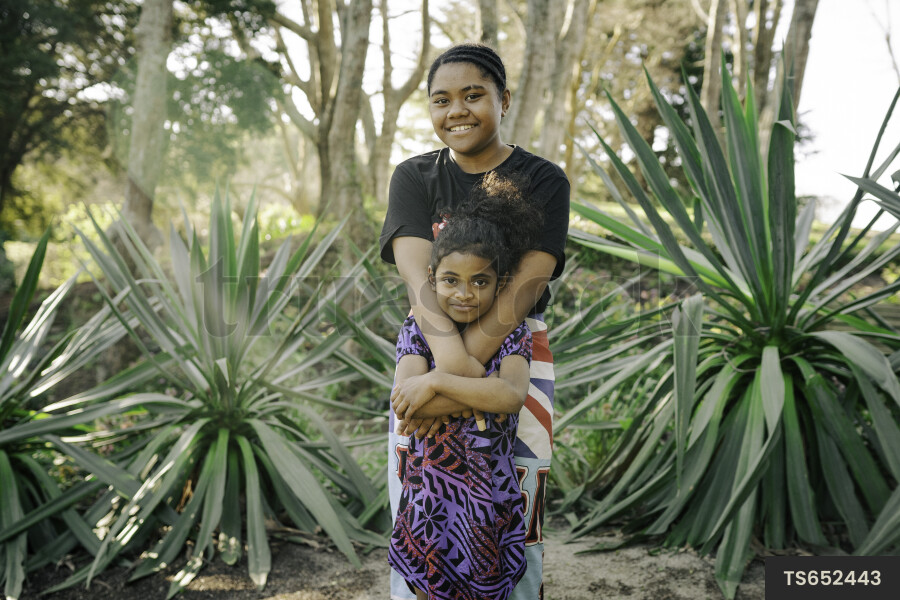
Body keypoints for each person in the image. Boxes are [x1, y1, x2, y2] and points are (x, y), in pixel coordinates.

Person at [380, 42, 569, 600]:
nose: (456, 110)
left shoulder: (543, 180)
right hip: (426, 345)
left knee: (516, 508)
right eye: (442, 100)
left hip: (515, 353)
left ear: (503, 99)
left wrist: (460, 377)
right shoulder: (414, 177)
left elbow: (526, 285)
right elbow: (419, 283)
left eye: (473, 95)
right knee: (419, 506)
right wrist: (456, 368)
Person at [388, 173, 541, 600]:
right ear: (433, 278)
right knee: (427, 589)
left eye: (481, 281)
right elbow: (407, 405)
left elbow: (509, 397)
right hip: (428, 503)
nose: (465, 294)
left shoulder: (513, 334)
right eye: (452, 280)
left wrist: (437, 379)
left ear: (502, 282)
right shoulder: (416, 331)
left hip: (489, 496)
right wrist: (476, 390)